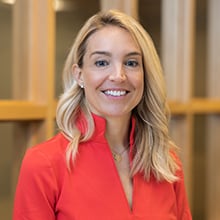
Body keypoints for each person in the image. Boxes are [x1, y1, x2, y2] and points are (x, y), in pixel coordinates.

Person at [13, 9, 192, 220]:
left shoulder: (166, 163)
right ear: (79, 75)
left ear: (145, 74)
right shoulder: (43, 164)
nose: (118, 75)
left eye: (131, 63)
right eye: (101, 62)